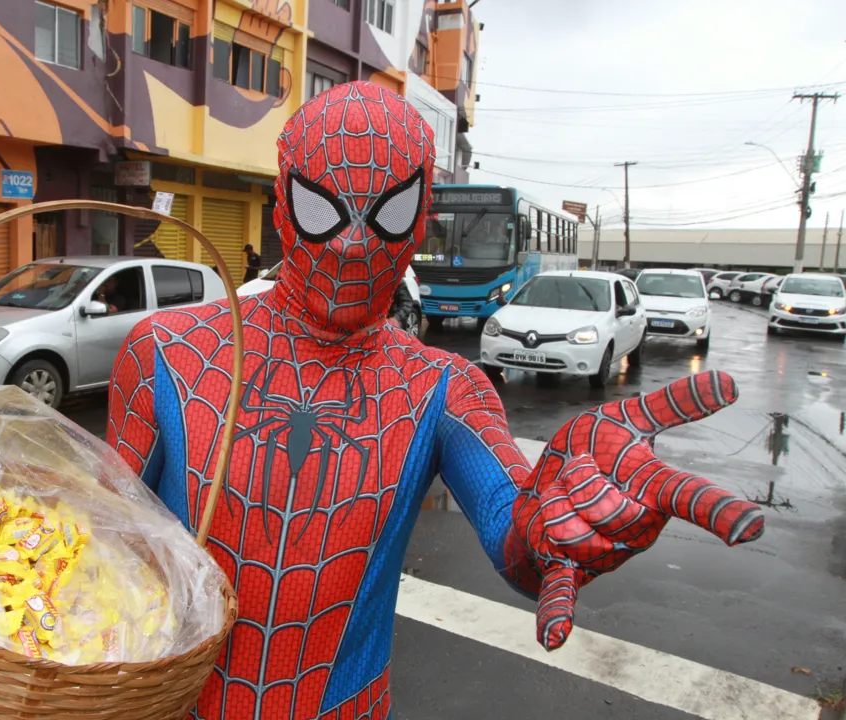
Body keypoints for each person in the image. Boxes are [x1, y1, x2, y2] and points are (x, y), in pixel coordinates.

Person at [108, 82, 763, 720]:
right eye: (321, 208)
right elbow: (91, 548)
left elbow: (518, 532)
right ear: (284, 206)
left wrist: (562, 522)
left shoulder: (444, 388)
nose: (351, 242)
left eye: (388, 214)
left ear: (420, 222)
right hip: (167, 703)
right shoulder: (166, 352)